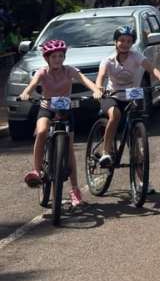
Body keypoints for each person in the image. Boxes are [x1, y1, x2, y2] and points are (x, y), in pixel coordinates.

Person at [19, 39, 102, 207]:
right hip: (47, 108)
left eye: (60, 56)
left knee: (69, 147)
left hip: (65, 110)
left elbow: (85, 80)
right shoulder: (42, 72)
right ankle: (37, 170)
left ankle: (74, 190)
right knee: (41, 132)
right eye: (54, 56)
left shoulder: (69, 70)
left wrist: (96, 90)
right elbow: (32, 85)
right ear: (47, 58)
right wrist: (25, 94)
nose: (58, 59)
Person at [96, 26, 160, 168]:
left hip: (131, 95)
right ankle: (106, 151)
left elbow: (153, 69)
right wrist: (99, 88)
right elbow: (101, 76)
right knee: (115, 115)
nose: (125, 44)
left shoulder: (137, 56)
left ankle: (142, 182)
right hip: (113, 95)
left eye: (129, 41)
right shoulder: (108, 60)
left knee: (135, 130)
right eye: (121, 40)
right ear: (115, 42)